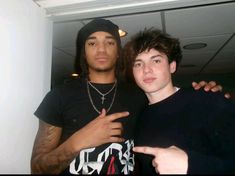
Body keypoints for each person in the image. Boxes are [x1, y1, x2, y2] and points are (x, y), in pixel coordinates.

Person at [30, 18, 226, 174]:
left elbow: (172, 103)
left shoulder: (140, 95)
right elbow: (37, 168)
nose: (101, 49)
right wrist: (78, 142)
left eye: (109, 42)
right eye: (92, 43)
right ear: (83, 52)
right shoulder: (59, 96)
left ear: (118, 52)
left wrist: (208, 95)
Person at [122, 28, 235, 174]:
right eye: (138, 64)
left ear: (172, 66)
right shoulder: (139, 116)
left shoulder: (208, 101)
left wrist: (190, 165)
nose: (146, 70)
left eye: (156, 60)